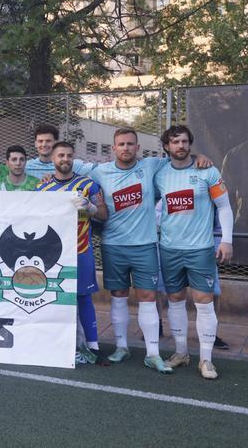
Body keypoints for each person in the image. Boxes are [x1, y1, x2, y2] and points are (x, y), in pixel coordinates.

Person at [89, 128, 173, 371]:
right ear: (113, 148)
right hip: (113, 245)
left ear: (138, 148)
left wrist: (200, 158)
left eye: (130, 144)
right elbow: (67, 167)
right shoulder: (99, 171)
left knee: (147, 297)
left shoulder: (151, 165)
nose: (125, 148)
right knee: (118, 297)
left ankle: (153, 353)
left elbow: (180, 158)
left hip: (145, 245)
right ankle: (122, 347)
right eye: (121, 144)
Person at [155, 125, 233, 380]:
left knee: (204, 302)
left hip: (200, 249)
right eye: (175, 142)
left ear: (191, 144)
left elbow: (224, 206)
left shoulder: (207, 169)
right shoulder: (159, 173)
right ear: (167, 146)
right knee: (175, 300)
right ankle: (181, 353)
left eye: (185, 141)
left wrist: (226, 240)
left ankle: (207, 360)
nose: (181, 146)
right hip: (169, 249)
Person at [37, 141, 109, 366]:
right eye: (61, 155)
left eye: (69, 155)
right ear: (53, 158)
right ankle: (57, 344)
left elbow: (104, 215)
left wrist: (90, 208)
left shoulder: (88, 185)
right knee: (53, 298)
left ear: (73, 157)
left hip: (81, 250)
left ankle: (93, 346)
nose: (65, 159)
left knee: (83, 298)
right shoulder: (42, 188)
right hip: (52, 255)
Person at [26, 124, 93, 179]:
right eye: (40, 141)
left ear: (56, 143)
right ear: (35, 144)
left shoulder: (71, 164)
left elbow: (98, 169)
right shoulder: (26, 166)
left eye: (48, 141)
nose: (44, 144)